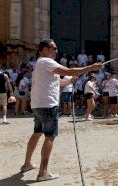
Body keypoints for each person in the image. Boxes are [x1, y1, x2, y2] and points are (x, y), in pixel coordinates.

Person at [21, 39, 101, 182]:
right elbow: (69, 70)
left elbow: (58, 83)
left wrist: (70, 81)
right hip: (48, 105)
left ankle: (27, 164)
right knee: (49, 136)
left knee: (37, 133)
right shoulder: (46, 61)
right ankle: (43, 172)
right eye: (54, 48)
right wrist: (91, 67)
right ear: (44, 49)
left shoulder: (43, 64)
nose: (57, 51)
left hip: (39, 104)